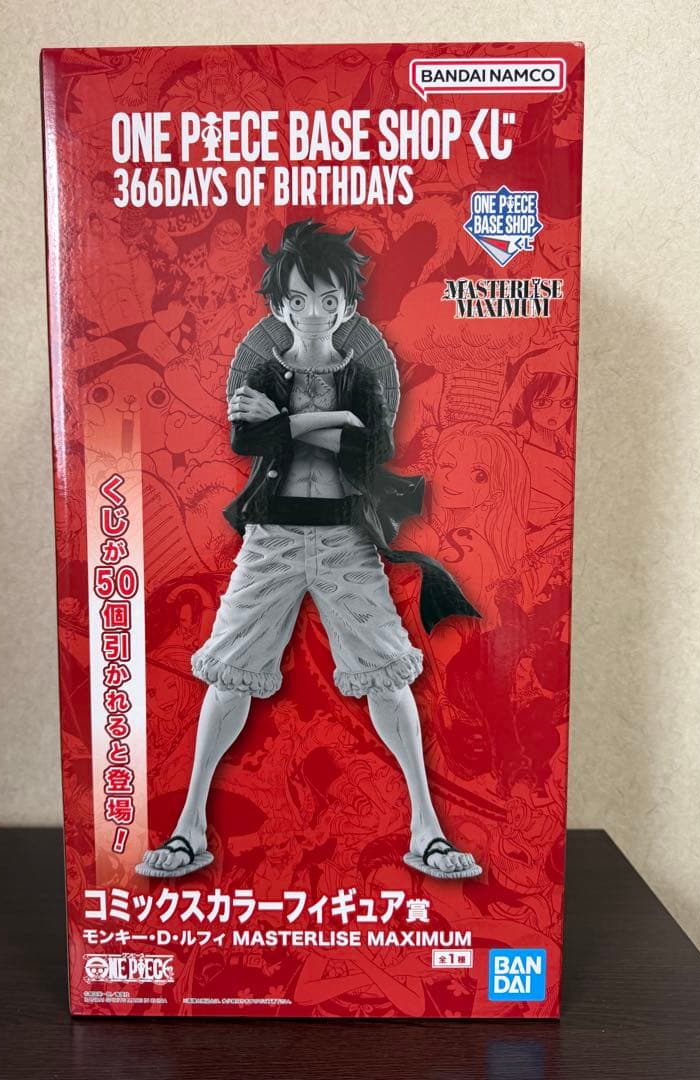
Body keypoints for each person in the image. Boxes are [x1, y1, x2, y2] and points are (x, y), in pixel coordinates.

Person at [136, 220, 482, 881]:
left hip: (347, 538)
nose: (313, 312)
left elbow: (372, 449)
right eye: (298, 299)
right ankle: (188, 829)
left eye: (327, 299)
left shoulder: (363, 375)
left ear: (347, 306)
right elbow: (249, 440)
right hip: (270, 538)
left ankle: (428, 831)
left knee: (388, 673)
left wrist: (291, 425)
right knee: (230, 672)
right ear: (280, 306)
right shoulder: (264, 370)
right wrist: (328, 421)